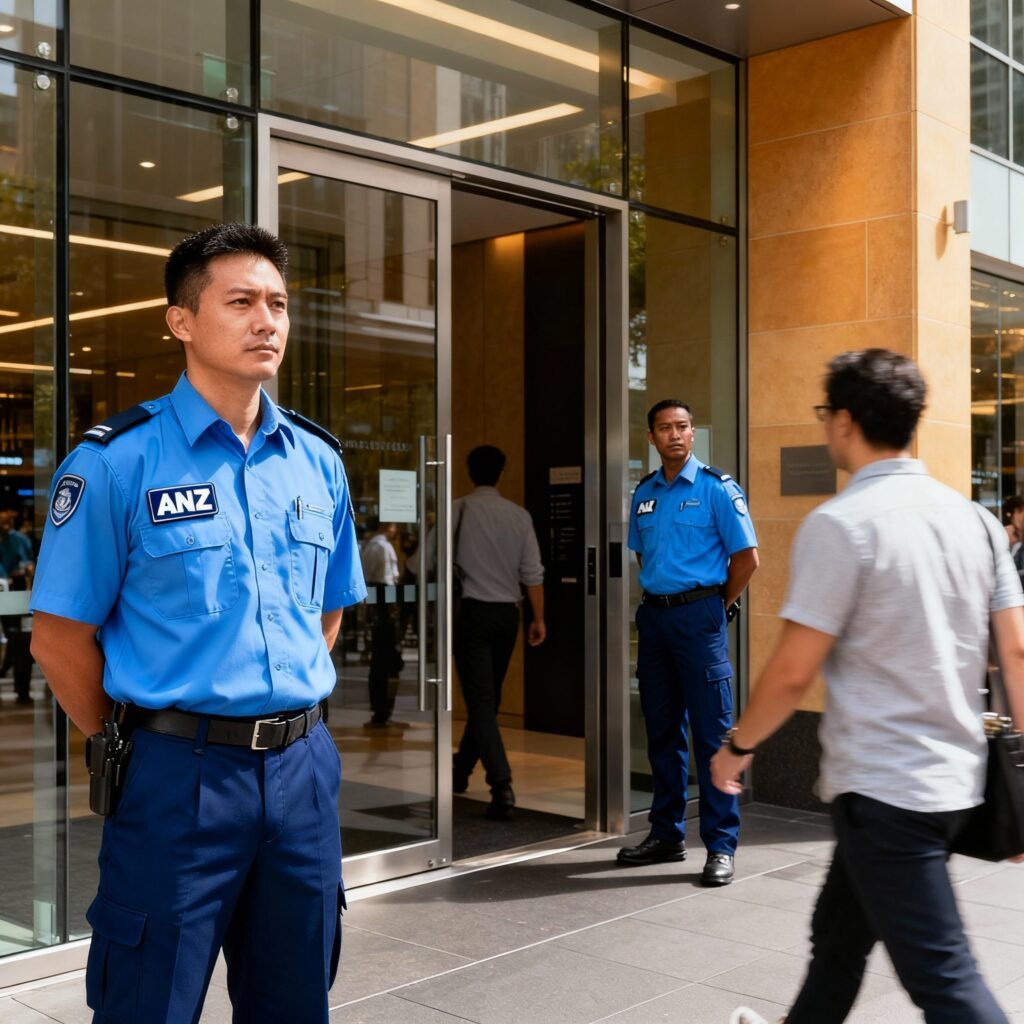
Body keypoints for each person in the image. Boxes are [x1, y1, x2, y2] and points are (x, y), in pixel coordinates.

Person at [29, 223, 367, 1024]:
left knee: (295, 1001)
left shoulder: (317, 459)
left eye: (279, 304)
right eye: (242, 302)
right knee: (150, 1000)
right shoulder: (117, 461)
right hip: (176, 774)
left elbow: (330, 608)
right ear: (181, 321)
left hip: (303, 775)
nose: (267, 322)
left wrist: (284, 712)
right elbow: (58, 637)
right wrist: (135, 733)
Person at [714, 349, 1024, 1024]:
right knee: (838, 943)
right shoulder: (974, 521)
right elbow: (1018, 653)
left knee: (945, 979)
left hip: (889, 790)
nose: (827, 430)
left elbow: (794, 670)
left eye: (827, 416)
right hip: (951, 778)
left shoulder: (843, 524)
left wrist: (736, 748)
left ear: (847, 421)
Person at [617, 399, 758, 886]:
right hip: (655, 620)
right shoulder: (644, 493)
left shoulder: (718, 489)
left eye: (681, 427)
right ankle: (666, 835)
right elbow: (644, 557)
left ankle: (721, 846)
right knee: (662, 732)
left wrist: (720, 604)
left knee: (713, 735)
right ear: (652, 438)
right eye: (664, 428)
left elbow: (747, 558)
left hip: (701, 618)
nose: (674, 435)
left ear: (693, 434)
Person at [451, 444, 545, 821]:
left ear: (469, 471)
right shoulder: (519, 516)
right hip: (508, 617)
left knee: (481, 702)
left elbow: (420, 559)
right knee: (486, 701)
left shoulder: (458, 510)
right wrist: (539, 618)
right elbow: (532, 573)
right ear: (501, 473)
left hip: (471, 615)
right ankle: (460, 769)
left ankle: (501, 785)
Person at [360, 518, 403, 727]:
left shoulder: (372, 545)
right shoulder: (382, 546)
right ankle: (382, 708)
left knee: (381, 659)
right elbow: (389, 578)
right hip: (383, 602)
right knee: (385, 659)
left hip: (376, 600)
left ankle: (381, 707)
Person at [0, 509, 35, 702]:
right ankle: (8, 668)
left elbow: (28, 559)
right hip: (5, 588)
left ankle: (12, 674)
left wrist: (25, 568)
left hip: (18, 589)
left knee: (16, 636)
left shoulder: (19, 539)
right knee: (14, 635)